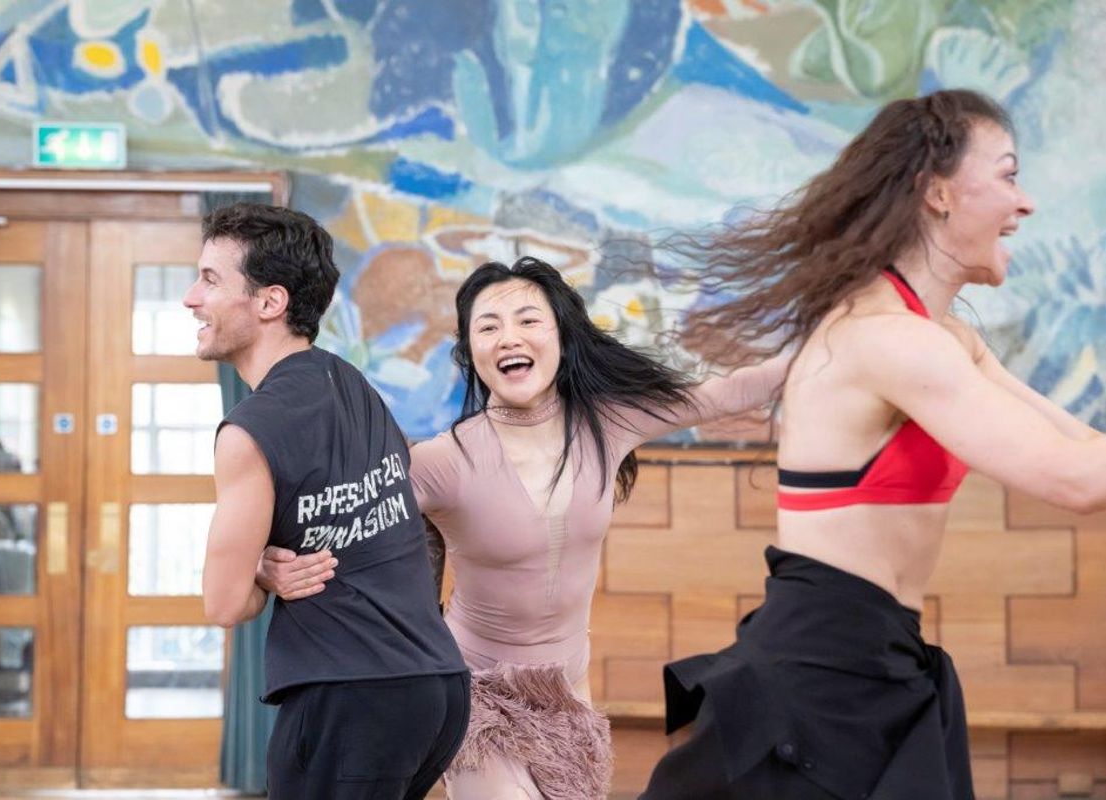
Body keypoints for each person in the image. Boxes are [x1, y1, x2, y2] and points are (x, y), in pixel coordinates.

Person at [637, 89, 1106, 799]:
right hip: (820, 677)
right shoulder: (887, 341)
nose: (1025, 202)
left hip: (878, 666)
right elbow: (1079, 484)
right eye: (1008, 176)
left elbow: (1084, 451)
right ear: (936, 192)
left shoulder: (943, 339)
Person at [261, 256, 788, 798]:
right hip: (476, 693)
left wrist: (830, 351)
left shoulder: (608, 423)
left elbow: (726, 392)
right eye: (488, 327)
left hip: (569, 697)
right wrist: (263, 563)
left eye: (528, 320)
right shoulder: (447, 460)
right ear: (471, 354)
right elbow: (337, 516)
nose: (509, 337)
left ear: (561, 335)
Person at [188, 202, 470, 800]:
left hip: (354, 698)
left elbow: (223, 602)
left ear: (270, 301)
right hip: (436, 688)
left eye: (211, 279)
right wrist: (268, 560)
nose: (192, 298)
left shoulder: (248, 431)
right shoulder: (352, 383)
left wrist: (259, 569)